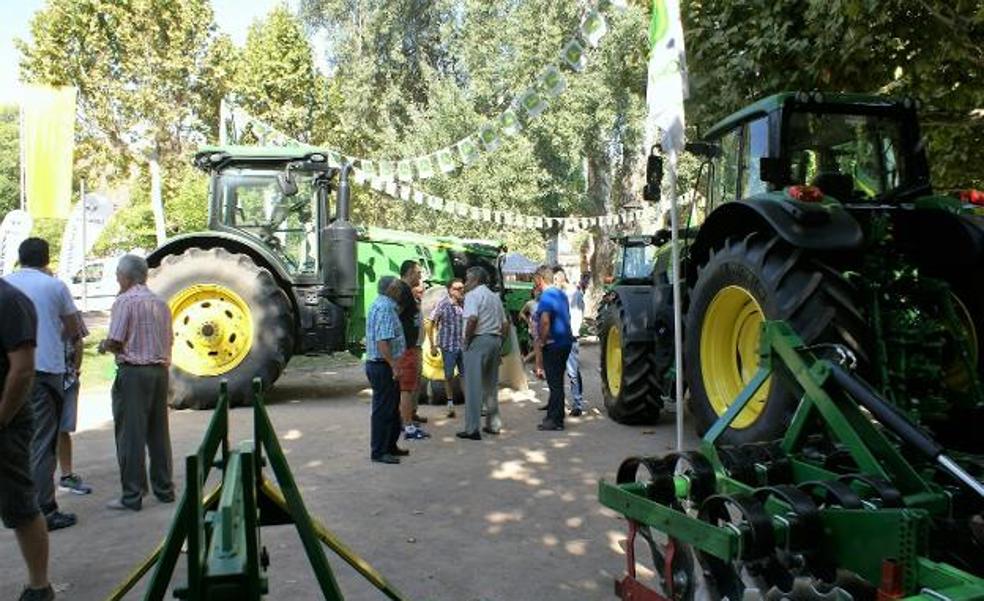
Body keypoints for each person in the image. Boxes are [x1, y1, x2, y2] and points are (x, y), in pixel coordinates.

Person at [4, 238, 80, 531]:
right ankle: (44, 508)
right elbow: (73, 329)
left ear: (20, 258)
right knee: (44, 442)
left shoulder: (6, 284)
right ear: (47, 259)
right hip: (45, 370)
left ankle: (18, 505)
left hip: (8, 370)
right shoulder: (55, 286)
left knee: (15, 440)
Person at [97, 254, 175, 511]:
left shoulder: (125, 301)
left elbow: (117, 340)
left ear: (126, 277)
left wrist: (103, 346)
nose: (117, 279)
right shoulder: (160, 302)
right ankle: (164, 489)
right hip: (159, 372)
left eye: (118, 275)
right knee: (158, 433)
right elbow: (169, 339)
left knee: (130, 434)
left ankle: (132, 494)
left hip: (133, 373)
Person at [0, 278, 56, 601]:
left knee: (18, 504)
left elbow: (22, 370)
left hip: (7, 422)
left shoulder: (10, 302)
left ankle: (39, 586)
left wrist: (2, 418)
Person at [458, 266, 509, 440]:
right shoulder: (494, 297)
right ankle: (493, 424)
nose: (465, 283)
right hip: (494, 340)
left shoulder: (473, 296)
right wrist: (500, 342)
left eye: (467, 279)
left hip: (478, 340)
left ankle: (472, 429)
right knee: (490, 386)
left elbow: (472, 319)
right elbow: (505, 324)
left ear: (474, 280)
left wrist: (466, 340)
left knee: (473, 387)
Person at [364, 276, 408, 464]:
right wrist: (394, 365)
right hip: (383, 366)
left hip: (382, 364)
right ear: (390, 289)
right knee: (383, 410)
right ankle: (379, 451)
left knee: (390, 408)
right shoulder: (385, 307)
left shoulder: (380, 304)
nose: (400, 290)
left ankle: (390, 446)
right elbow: (383, 342)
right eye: (397, 287)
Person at [533, 265, 574, 431]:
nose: (534, 282)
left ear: (541, 279)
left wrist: (542, 341)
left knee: (555, 384)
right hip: (565, 342)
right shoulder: (561, 294)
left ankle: (556, 421)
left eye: (535, 279)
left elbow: (544, 321)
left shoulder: (546, 296)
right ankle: (552, 414)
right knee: (557, 381)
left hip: (553, 344)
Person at [394, 260, 430, 440]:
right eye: (418, 272)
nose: (420, 276)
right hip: (406, 348)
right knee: (406, 388)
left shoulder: (406, 291)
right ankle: (407, 426)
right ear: (409, 272)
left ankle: (408, 418)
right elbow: (394, 315)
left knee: (411, 386)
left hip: (412, 347)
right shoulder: (401, 290)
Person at [58, 311, 93, 495]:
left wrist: (76, 370)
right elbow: (78, 342)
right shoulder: (68, 308)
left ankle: (65, 475)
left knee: (59, 429)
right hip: (63, 377)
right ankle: (65, 475)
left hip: (64, 377)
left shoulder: (69, 310)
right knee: (60, 430)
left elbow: (78, 341)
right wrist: (76, 370)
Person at [428, 278, 465, 418]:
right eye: (457, 288)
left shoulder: (465, 303)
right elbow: (431, 322)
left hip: (462, 344)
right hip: (448, 345)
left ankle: (470, 403)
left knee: (465, 374)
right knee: (449, 375)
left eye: (462, 288)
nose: (461, 291)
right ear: (450, 290)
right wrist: (432, 344)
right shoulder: (443, 304)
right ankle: (450, 403)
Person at [554, 268, 585, 416]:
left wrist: (574, 332)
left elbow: (578, 313)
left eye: (554, 281)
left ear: (560, 279)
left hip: (570, 336)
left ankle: (577, 403)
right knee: (560, 371)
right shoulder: (563, 293)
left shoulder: (574, 293)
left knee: (572, 372)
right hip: (562, 335)